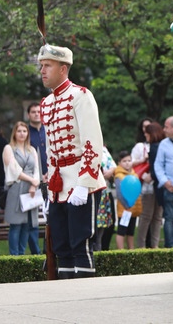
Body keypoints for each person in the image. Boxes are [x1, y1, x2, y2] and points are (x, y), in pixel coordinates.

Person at [38, 44, 107, 278]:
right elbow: (50, 149)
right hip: (58, 185)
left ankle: (84, 298)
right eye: (41, 66)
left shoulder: (81, 95)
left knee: (81, 244)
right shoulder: (46, 103)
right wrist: (50, 186)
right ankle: (65, 296)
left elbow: (92, 142)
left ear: (63, 68)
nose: (42, 71)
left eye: (47, 65)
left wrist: (84, 183)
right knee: (61, 246)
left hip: (80, 181)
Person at [2, 121, 42, 256]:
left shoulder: (32, 149)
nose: (22, 134)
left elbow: (37, 169)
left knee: (27, 225)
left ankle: (22, 254)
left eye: (24, 131)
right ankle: (15, 255)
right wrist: (32, 180)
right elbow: (14, 170)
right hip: (16, 188)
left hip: (31, 190)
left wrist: (33, 185)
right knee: (16, 225)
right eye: (19, 131)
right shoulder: (8, 148)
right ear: (14, 133)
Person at [136, 121, 164, 249]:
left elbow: (154, 168)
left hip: (150, 187)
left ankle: (141, 246)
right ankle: (155, 245)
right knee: (157, 218)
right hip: (160, 187)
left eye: (147, 133)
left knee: (146, 217)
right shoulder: (162, 146)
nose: (145, 135)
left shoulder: (154, 147)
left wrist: (149, 177)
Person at [154, 116, 173, 248]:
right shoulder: (164, 144)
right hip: (170, 188)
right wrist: (165, 182)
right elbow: (158, 165)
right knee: (169, 218)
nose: (164, 130)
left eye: (166, 127)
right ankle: (170, 248)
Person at [26, 102, 47, 254]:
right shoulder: (25, 132)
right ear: (28, 115)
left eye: (39, 111)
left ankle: (49, 251)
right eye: (33, 112)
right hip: (32, 182)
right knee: (32, 220)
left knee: (50, 218)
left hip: (51, 180)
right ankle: (36, 253)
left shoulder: (49, 130)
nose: (36, 114)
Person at [113, 151, 142, 250]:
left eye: (129, 160)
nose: (127, 163)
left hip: (134, 210)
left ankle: (131, 250)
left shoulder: (135, 175)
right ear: (119, 163)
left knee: (131, 231)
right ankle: (121, 251)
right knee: (121, 231)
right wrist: (127, 206)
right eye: (124, 161)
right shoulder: (119, 176)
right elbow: (120, 194)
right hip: (125, 210)